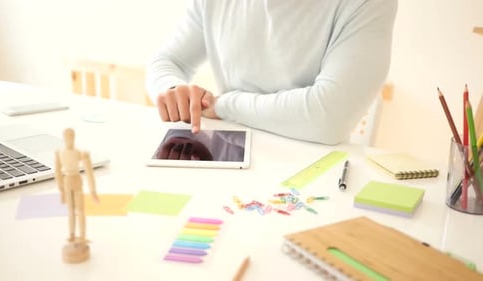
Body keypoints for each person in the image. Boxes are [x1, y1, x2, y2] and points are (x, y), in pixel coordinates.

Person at [146, 0, 397, 145]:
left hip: (315, 172)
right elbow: (166, 61)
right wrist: (172, 91)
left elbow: (328, 118)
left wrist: (223, 106)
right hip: (231, 159)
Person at [55, 128, 98, 244]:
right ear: (64, 138)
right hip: (67, 182)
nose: (69, 140)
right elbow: (57, 172)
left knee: (80, 210)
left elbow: (89, 172)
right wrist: (61, 190)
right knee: (70, 210)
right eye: (67, 137)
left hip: (76, 181)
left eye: (71, 137)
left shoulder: (79, 153)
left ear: (74, 138)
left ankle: (82, 236)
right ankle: (72, 234)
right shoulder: (59, 153)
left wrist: (93, 191)